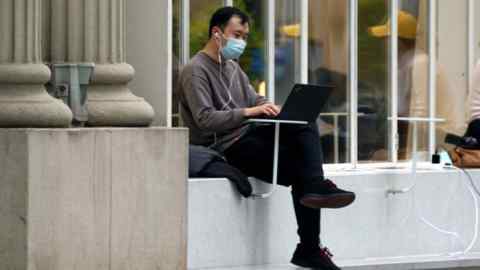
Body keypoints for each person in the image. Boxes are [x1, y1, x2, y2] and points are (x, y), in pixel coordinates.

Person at [177, 7, 355, 269]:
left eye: (245, 36)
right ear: (217, 33)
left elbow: (254, 99)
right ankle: (309, 247)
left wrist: (273, 108)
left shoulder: (232, 68)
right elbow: (205, 120)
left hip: (247, 134)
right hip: (225, 147)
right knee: (301, 173)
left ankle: (312, 219)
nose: (242, 42)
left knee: (302, 121)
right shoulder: (195, 70)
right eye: (237, 34)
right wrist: (251, 111)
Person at [369, 10, 464, 159]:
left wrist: (400, 147)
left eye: (386, 38)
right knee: (377, 155)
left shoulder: (420, 63)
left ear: (398, 41)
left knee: (379, 157)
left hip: (438, 140)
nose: (382, 43)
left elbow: (421, 116)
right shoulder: (408, 64)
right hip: (425, 137)